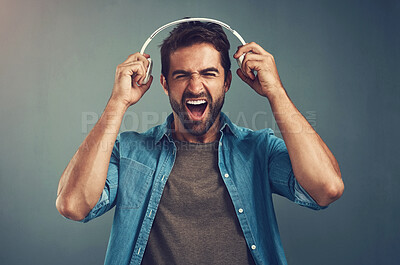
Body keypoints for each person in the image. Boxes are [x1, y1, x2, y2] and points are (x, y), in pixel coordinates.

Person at [56, 21, 344, 265]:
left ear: (228, 81)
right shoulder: (130, 151)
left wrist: (275, 91)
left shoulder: (258, 150)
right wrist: (118, 102)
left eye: (209, 73)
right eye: (182, 75)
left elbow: (326, 188)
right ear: (165, 83)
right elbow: (72, 204)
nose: (195, 86)